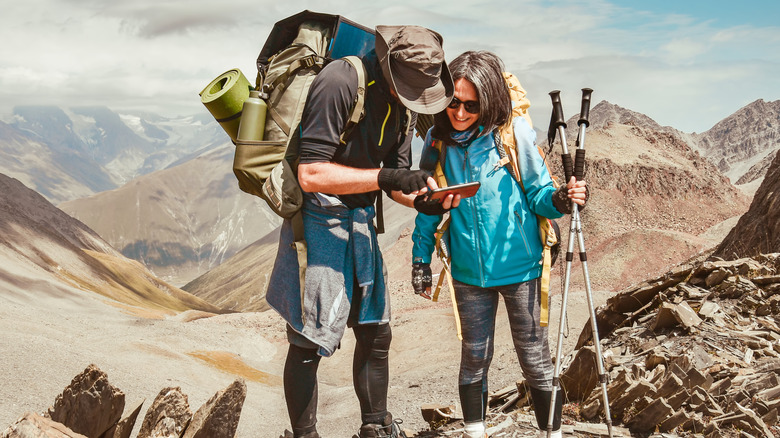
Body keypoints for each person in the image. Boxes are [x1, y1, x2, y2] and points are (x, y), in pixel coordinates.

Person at [266, 25, 456, 438]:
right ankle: (305, 434)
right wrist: (387, 176)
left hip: (360, 220)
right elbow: (311, 172)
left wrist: (424, 199)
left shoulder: (404, 105)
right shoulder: (339, 81)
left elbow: (396, 180)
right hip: (318, 219)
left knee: (375, 330)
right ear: (389, 66)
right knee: (308, 338)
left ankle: (375, 427)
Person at [410, 51, 588, 438]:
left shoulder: (513, 132)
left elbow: (539, 193)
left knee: (535, 361)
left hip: (521, 268)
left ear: (488, 101)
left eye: (471, 105)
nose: (459, 112)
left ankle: (550, 434)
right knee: (474, 357)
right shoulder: (436, 141)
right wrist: (420, 259)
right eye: (453, 102)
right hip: (468, 273)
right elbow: (428, 207)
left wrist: (559, 199)